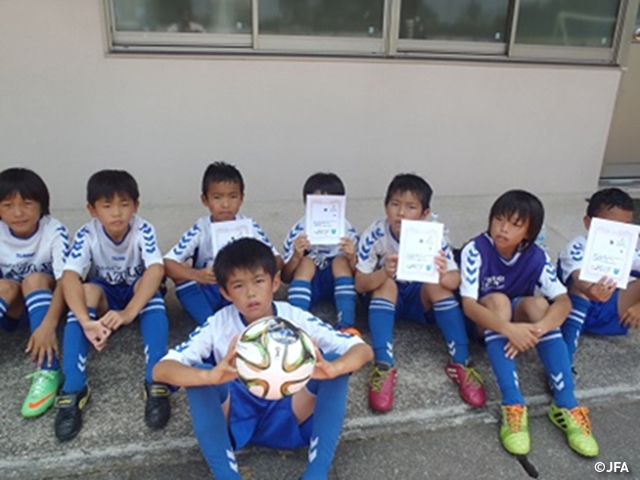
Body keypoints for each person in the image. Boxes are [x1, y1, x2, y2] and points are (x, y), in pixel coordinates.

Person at [153, 238, 373, 479]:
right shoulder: (218, 324)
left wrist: (333, 368)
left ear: (275, 282)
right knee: (198, 374)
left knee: (334, 364)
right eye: (238, 286)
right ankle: (227, 475)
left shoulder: (294, 317)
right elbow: (161, 370)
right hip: (237, 417)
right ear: (225, 293)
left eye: (258, 281)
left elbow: (362, 349)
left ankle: (316, 473)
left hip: (291, 412)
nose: (251, 293)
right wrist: (210, 376)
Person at [459, 190, 598, 457]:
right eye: (499, 219)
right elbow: (468, 305)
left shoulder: (536, 256)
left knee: (539, 306)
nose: (503, 228)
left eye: (515, 224)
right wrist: (509, 330)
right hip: (484, 321)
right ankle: (512, 404)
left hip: (519, 324)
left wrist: (537, 331)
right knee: (499, 300)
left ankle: (566, 404)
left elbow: (564, 302)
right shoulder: (475, 249)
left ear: (529, 232)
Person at [55, 170, 170, 441]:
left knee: (150, 287)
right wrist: (86, 321)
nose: (116, 213)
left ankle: (156, 379)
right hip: (105, 296)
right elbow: (69, 276)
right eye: (107, 206)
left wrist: (128, 313)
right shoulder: (87, 233)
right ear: (92, 210)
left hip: (134, 296)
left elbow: (156, 269)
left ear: (136, 205)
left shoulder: (143, 228)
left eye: (124, 204)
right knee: (85, 290)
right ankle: (73, 388)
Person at [355, 173, 485, 413]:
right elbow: (360, 284)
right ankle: (383, 365)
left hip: (419, 299)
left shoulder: (433, 236)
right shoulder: (376, 233)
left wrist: (443, 273)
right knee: (386, 283)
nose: (401, 213)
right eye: (395, 204)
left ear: (425, 213)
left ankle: (460, 362)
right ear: (385, 206)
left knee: (438, 285)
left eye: (411, 207)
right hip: (388, 299)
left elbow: (455, 280)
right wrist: (384, 272)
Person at [164, 161, 283, 326]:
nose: (226, 204)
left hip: (241, 288)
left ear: (241, 198)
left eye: (233, 197)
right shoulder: (201, 228)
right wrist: (197, 275)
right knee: (182, 275)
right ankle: (208, 324)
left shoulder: (249, 226)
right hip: (210, 286)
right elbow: (167, 263)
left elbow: (277, 260)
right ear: (205, 200)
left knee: (261, 277)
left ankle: (246, 319)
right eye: (217, 197)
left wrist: (253, 269)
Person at [0, 168, 69, 418]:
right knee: (5, 285)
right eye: (8, 205)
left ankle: (48, 369)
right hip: (13, 309)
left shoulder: (54, 231)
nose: (18, 213)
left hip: (48, 308)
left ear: (42, 205)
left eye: (27, 204)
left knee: (35, 278)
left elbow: (67, 282)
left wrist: (48, 326)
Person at [557, 188, 640, 367]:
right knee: (579, 287)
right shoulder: (578, 246)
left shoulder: (629, 250)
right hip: (575, 307)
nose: (617, 233)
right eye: (610, 226)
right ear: (588, 222)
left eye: (625, 227)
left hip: (612, 309)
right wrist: (590, 289)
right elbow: (578, 278)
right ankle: (565, 358)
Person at [282, 172, 359, 334]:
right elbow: (285, 276)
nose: (324, 210)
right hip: (311, 284)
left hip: (336, 283)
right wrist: (296, 256)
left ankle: (346, 324)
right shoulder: (299, 230)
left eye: (330, 204)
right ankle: (296, 323)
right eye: (317, 204)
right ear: (306, 204)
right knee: (306, 262)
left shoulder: (347, 231)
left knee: (340, 261)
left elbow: (360, 275)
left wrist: (352, 257)